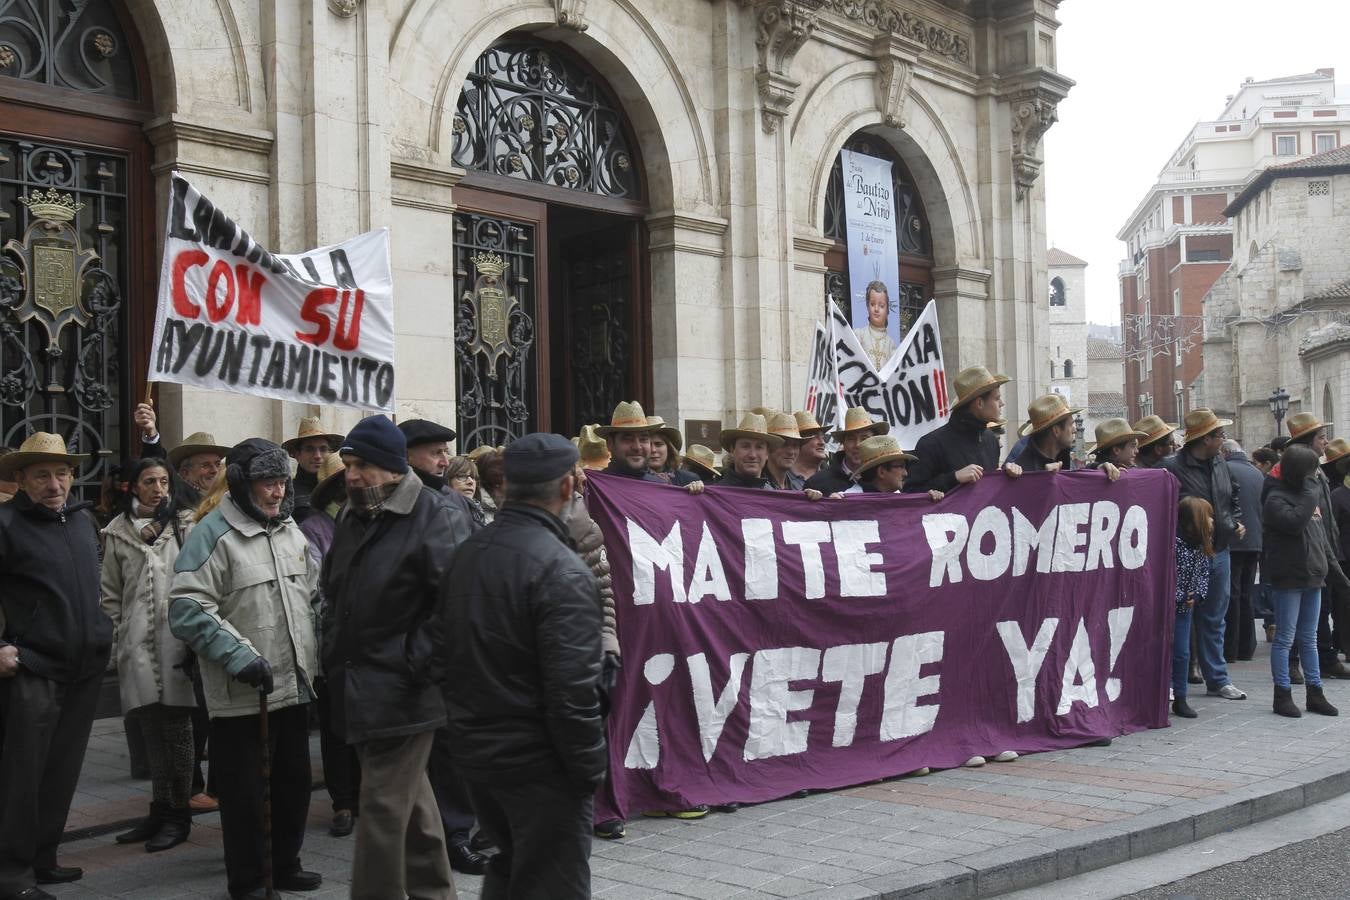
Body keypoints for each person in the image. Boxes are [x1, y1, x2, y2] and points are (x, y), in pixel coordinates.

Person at [441, 433, 605, 900]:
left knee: (512, 868)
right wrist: (588, 766)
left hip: (479, 754)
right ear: (568, 488)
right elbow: (572, 692)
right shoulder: (562, 570)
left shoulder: (469, 553)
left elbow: (443, 654)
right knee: (552, 880)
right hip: (540, 764)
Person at [168, 438, 322, 900]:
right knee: (246, 796)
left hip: (293, 688)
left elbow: (312, 596)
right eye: (266, 483)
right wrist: (240, 656)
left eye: (281, 482)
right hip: (242, 695)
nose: (277, 492)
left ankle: (285, 863)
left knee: (294, 784)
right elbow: (187, 607)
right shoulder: (212, 534)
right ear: (239, 483)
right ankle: (251, 881)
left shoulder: (292, 529)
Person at [320, 417, 459, 898]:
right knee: (411, 806)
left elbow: (455, 610)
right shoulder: (351, 515)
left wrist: (412, 663)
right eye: (348, 464)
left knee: (379, 808)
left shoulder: (433, 515)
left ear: (392, 468)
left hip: (405, 691)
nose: (351, 475)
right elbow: (335, 590)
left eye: (361, 465)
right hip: (360, 686)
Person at [0, 433, 111, 897]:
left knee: (61, 773)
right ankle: (11, 877)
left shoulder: (83, 522)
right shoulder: (5, 523)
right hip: (33, 668)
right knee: (20, 780)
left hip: (84, 669)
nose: (54, 483)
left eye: (61, 472)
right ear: (21, 479)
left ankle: (44, 858)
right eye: (42, 474)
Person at [395, 419, 486, 875]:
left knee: (455, 746)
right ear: (407, 454)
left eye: (444, 452)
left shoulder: (457, 503)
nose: (444, 460)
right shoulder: (395, 504)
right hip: (412, 644)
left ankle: (457, 833)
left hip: (457, 642)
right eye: (433, 452)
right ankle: (423, 835)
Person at [101, 457, 199, 854]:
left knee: (178, 730)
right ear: (132, 487)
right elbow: (110, 594)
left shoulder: (185, 525)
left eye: (163, 481)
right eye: (149, 482)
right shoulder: (116, 532)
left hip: (177, 642)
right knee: (151, 731)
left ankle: (180, 814)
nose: (158, 489)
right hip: (136, 645)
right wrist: (115, 641)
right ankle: (160, 808)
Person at [1161, 409, 1248, 701]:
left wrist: (1233, 520)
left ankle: (1218, 678)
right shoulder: (1170, 467)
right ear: (1204, 439)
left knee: (1214, 618)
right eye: (1218, 435)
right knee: (1180, 619)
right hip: (1187, 553)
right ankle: (1174, 682)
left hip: (1219, 549)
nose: (1223, 440)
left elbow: (1232, 495)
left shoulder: (1219, 462)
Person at [297, 453, 362, 839]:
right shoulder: (314, 528)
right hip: (332, 641)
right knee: (336, 727)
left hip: (364, 641)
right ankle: (343, 801)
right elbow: (314, 587)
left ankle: (365, 794)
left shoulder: (369, 521)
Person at [563, 463, 623, 840]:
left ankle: (587, 814)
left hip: (583, 649)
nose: (583, 478)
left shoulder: (584, 520)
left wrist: (608, 644)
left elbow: (602, 589)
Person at [1264, 443, 1339, 718]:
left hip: (1313, 575)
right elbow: (1295, 523)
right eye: (1313, 468)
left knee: (1309, 638)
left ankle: (1315, 692)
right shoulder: (1276, 498)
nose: (1317, 473)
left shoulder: (1308, 495)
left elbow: (1321, 539)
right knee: (1285, 637)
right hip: (1290, 576)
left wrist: (1336, 574)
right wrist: (1311, 491)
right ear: (1300, 472)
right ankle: (1282, 694)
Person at [906, 366, 1023, 498]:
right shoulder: (931, 444)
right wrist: (953, 478)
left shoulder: (990, 439)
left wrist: (1005, 476)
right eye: (997, 398)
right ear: (979, 403)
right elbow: (910, 493)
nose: (1001, 403)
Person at [1171, 496, 1214, 719]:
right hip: (1169, 609)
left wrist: (1197, 595)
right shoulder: (1173, 546)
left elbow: (1205, 573)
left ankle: (1180, 696)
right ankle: (1164, 692)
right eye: (1208, 517)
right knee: (1164, 650)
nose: (1212, 522)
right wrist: (1178, 596)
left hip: (1185, 610)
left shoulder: (1200, 546)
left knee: (1182, 652)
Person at [1222, 439, 1264, 663]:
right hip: (1254, 541)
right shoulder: (1256, 473)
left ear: (1225, 452)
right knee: (1247, 594)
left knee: (1232, 594)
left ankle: (1232, 648)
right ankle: (1247, 647)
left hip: (1234, 540)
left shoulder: (1225, 469)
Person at [806, 407, 888, 494]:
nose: (857, 445)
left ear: (874, 442)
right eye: (851, 439)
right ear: (843, 444)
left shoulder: (885, 481)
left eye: (864, 438)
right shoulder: (817, 484)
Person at [843, 435, 942, 500]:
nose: (906, 473)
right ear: (881, 472)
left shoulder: (902, 499)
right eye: (901, 467)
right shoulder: (848, 500)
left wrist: (928, 502)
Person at [283, 417, 342, 524]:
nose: (317, 456)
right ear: (297, 454)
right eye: (309, 449)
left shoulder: (341, 489)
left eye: (323, 449)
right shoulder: (286, 492)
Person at [1008, 395, 1081, 473]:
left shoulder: (1064, 454)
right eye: (1071, 424)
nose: (1075, 430)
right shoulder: (1024, 472)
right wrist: (1043, 477)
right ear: (1056, 431)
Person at [854, 280, 899, 372]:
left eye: (881, 306)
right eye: (872, 304)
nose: (876, 309)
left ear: (887, 310)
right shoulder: (859, 335)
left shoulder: (891, 344)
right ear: (867, 306)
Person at [646, 416, 697, 486]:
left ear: (669, 448)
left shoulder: (688, 479)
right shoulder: (632, 479)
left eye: (658, 444)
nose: (653, 450)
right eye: (648, 445)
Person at [446, 455, 489, 528]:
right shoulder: (444, 513)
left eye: (473, 477)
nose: (470, 482)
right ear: (448, 480)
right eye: (462, 476)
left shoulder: (479, 512)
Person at [791, 411, 829, 482]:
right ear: (798, 441)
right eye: (815, 437)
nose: (822, 442)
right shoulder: (782, 478)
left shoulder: (832, 477)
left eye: (823, 437)